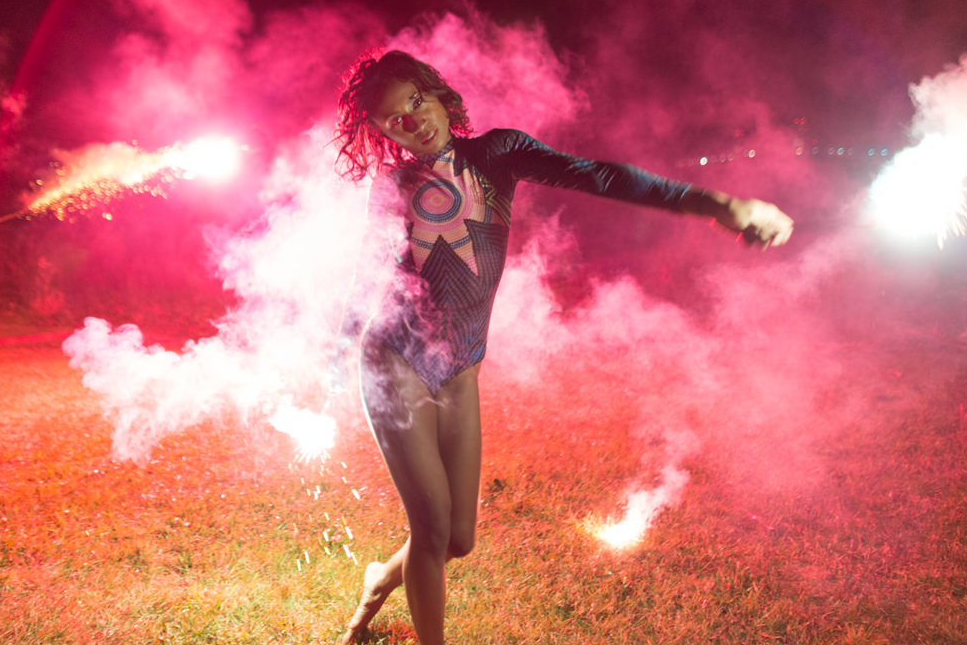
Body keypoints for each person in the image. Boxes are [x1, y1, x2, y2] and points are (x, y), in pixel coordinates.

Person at [331, 51, 794, 645]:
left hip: (462, 367)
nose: (414, 121)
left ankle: (378, 580)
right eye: (396, 120)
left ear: (437, 93)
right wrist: (335, 354)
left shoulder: (498, 152)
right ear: (382, 132)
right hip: (396, 359)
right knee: (431, 525)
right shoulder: (393, 186)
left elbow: (601, 176)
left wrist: (718, 204)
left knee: (458, 539)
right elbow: (368, 277)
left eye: (416, 102)